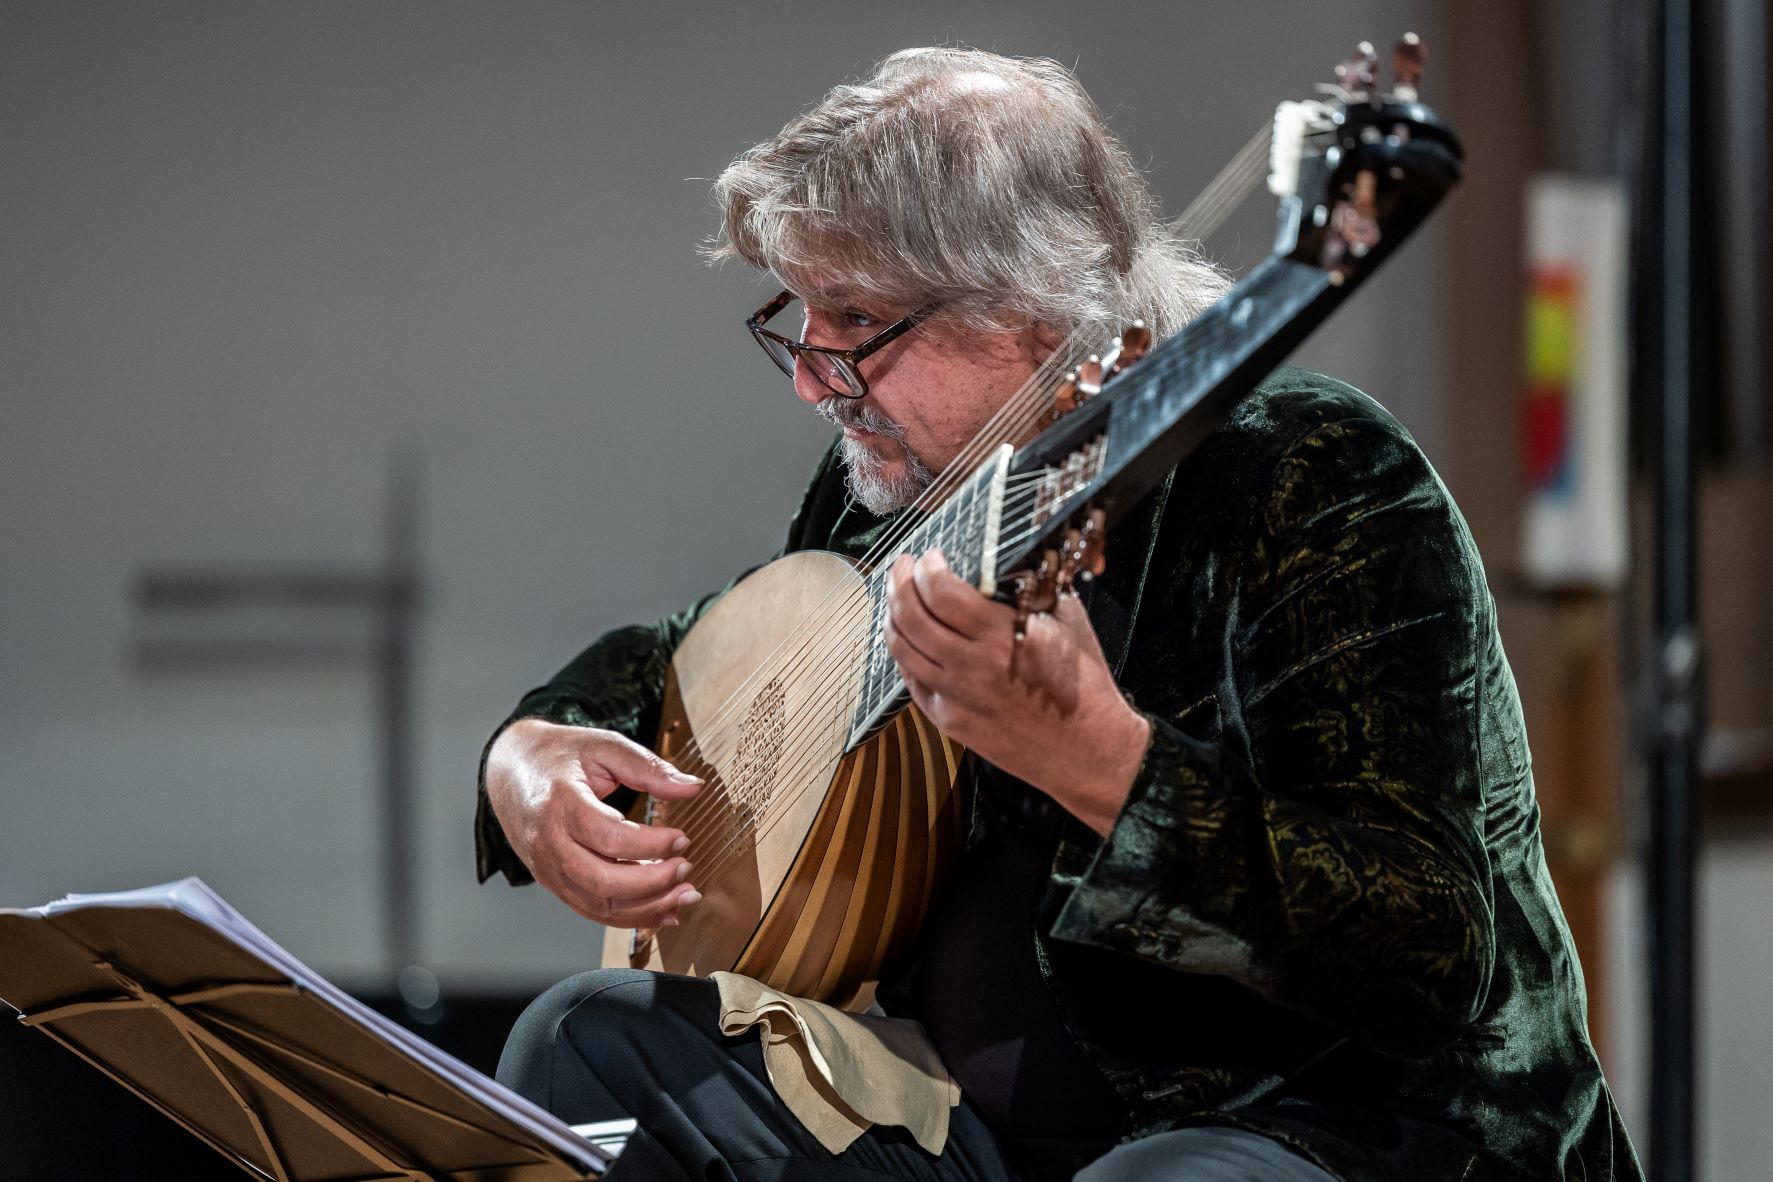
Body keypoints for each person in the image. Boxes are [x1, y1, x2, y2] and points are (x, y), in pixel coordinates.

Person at [475, 47, 1641, 1182]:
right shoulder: (885, 497)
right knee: (585, 1038)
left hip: (1329, 1127)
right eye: (799, 312)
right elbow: (695, 646)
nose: (809, 375)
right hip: (974, 1132)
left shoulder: (1307, 472)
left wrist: (1106, 768)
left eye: (857, 321)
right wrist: (530, 754)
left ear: (1033, 307)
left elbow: (1423, 950)